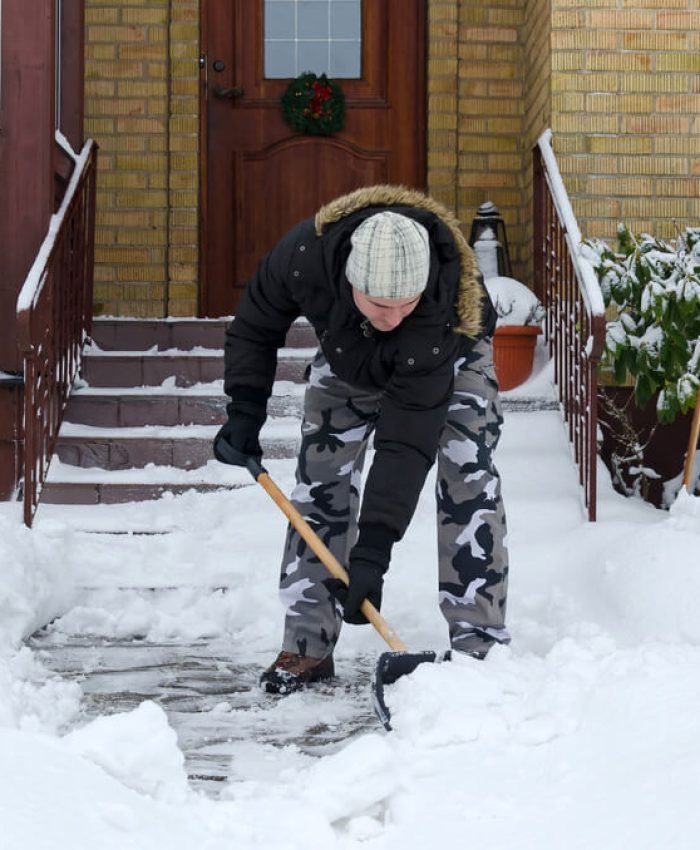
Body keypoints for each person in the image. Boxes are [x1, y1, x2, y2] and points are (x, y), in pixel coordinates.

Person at [214, 184, 510, 693]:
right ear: (348, 280)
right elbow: (255, 326)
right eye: (379, 303)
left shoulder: (438, 304)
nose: (392, 317)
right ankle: (306, 645)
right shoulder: (303, 260)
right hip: (350, 349)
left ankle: (479, 645)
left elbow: (405, 443)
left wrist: (373, 552)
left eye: (404, 304)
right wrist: (244, 409)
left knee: (468, 475)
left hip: (449, 352)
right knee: (321, 476)